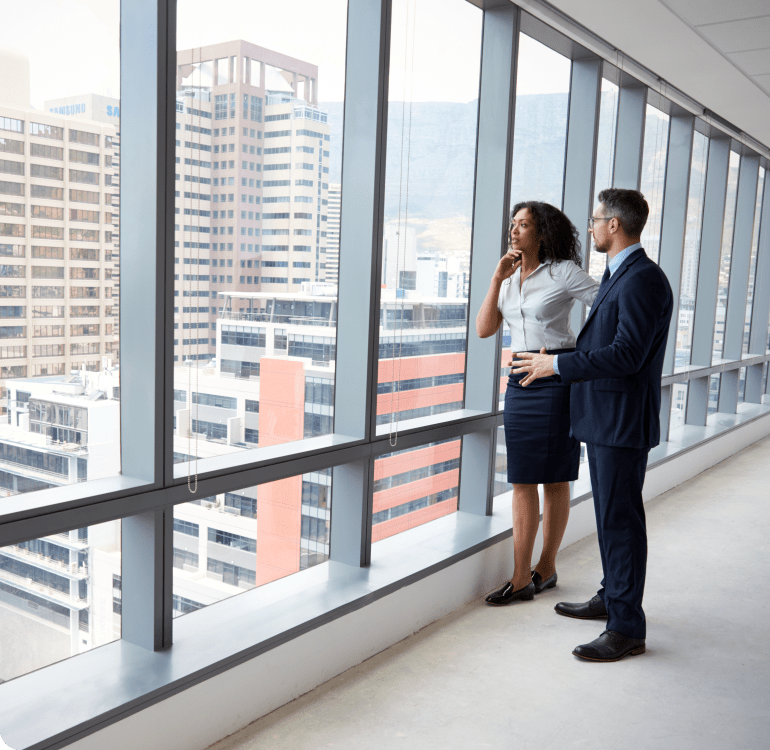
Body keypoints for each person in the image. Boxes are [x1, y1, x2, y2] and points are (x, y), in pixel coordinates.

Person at [511, 188, 674, 661]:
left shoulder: (641, 279)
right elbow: (607, 346)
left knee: (620, 522)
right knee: (610, 518)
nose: (590, 227)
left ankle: (626, 628)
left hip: (620, 421)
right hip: (606, 419)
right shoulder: (622, 275)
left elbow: (627, 355)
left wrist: (557, 368)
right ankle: (612, 597)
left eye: (596, 219)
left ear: (615, 226)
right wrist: (558, 357)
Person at [476, 201, 600, 606]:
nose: (514, 230)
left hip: (554, 379)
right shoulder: (510, 279)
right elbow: (484, 329)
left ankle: (545, 568)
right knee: (522, 478)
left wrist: (570, 357)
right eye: (513, 223)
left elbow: (608, 302)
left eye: (523, 225)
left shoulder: (563, 272)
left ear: (542, 233)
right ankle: (520, 576)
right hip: (518, 382)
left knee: (555, 477)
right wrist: (497, 278)